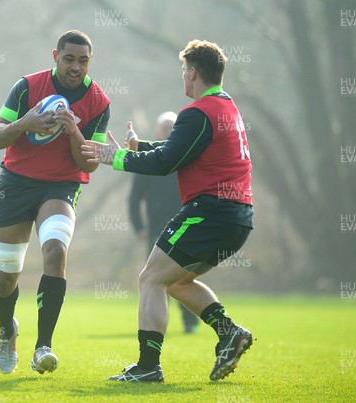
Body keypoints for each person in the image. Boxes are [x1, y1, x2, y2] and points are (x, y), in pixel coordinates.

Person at [82, 39, 253, 382]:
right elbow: (182, 149)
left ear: (192, 72)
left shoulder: (197, 112)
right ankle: (230, 332)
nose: (183, 78)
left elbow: (165, 162)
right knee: (175, 281)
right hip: (238, 217)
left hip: (210, 211)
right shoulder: (226, 108)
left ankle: (148, 367)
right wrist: (139, 146)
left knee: (150, 278)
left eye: (183, 71)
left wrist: (114, 157)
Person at [0, 30, 110, 375]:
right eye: (69, 58)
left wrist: (74, 132)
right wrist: (25, 122)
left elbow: (89, 163)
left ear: (90, 61)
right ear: (55, 56)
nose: (75, 67)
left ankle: (43, 346)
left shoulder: (99, 101)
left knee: (55, 251)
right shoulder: (27, 87)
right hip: (15, 185)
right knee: (5, 279)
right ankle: (6, 328)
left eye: (83, 60)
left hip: (60, 186)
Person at [127, 111, 200, 334]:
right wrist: (139, 227)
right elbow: (134, 198)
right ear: (158, 131)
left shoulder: (187, 158)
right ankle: (156, 326)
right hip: (157, 231)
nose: (169, 133)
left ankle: (190, 323)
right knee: (155, 278)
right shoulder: (150, 161)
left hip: (187, 227)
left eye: (173, 128)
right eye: (165, 128)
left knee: (183, 277)